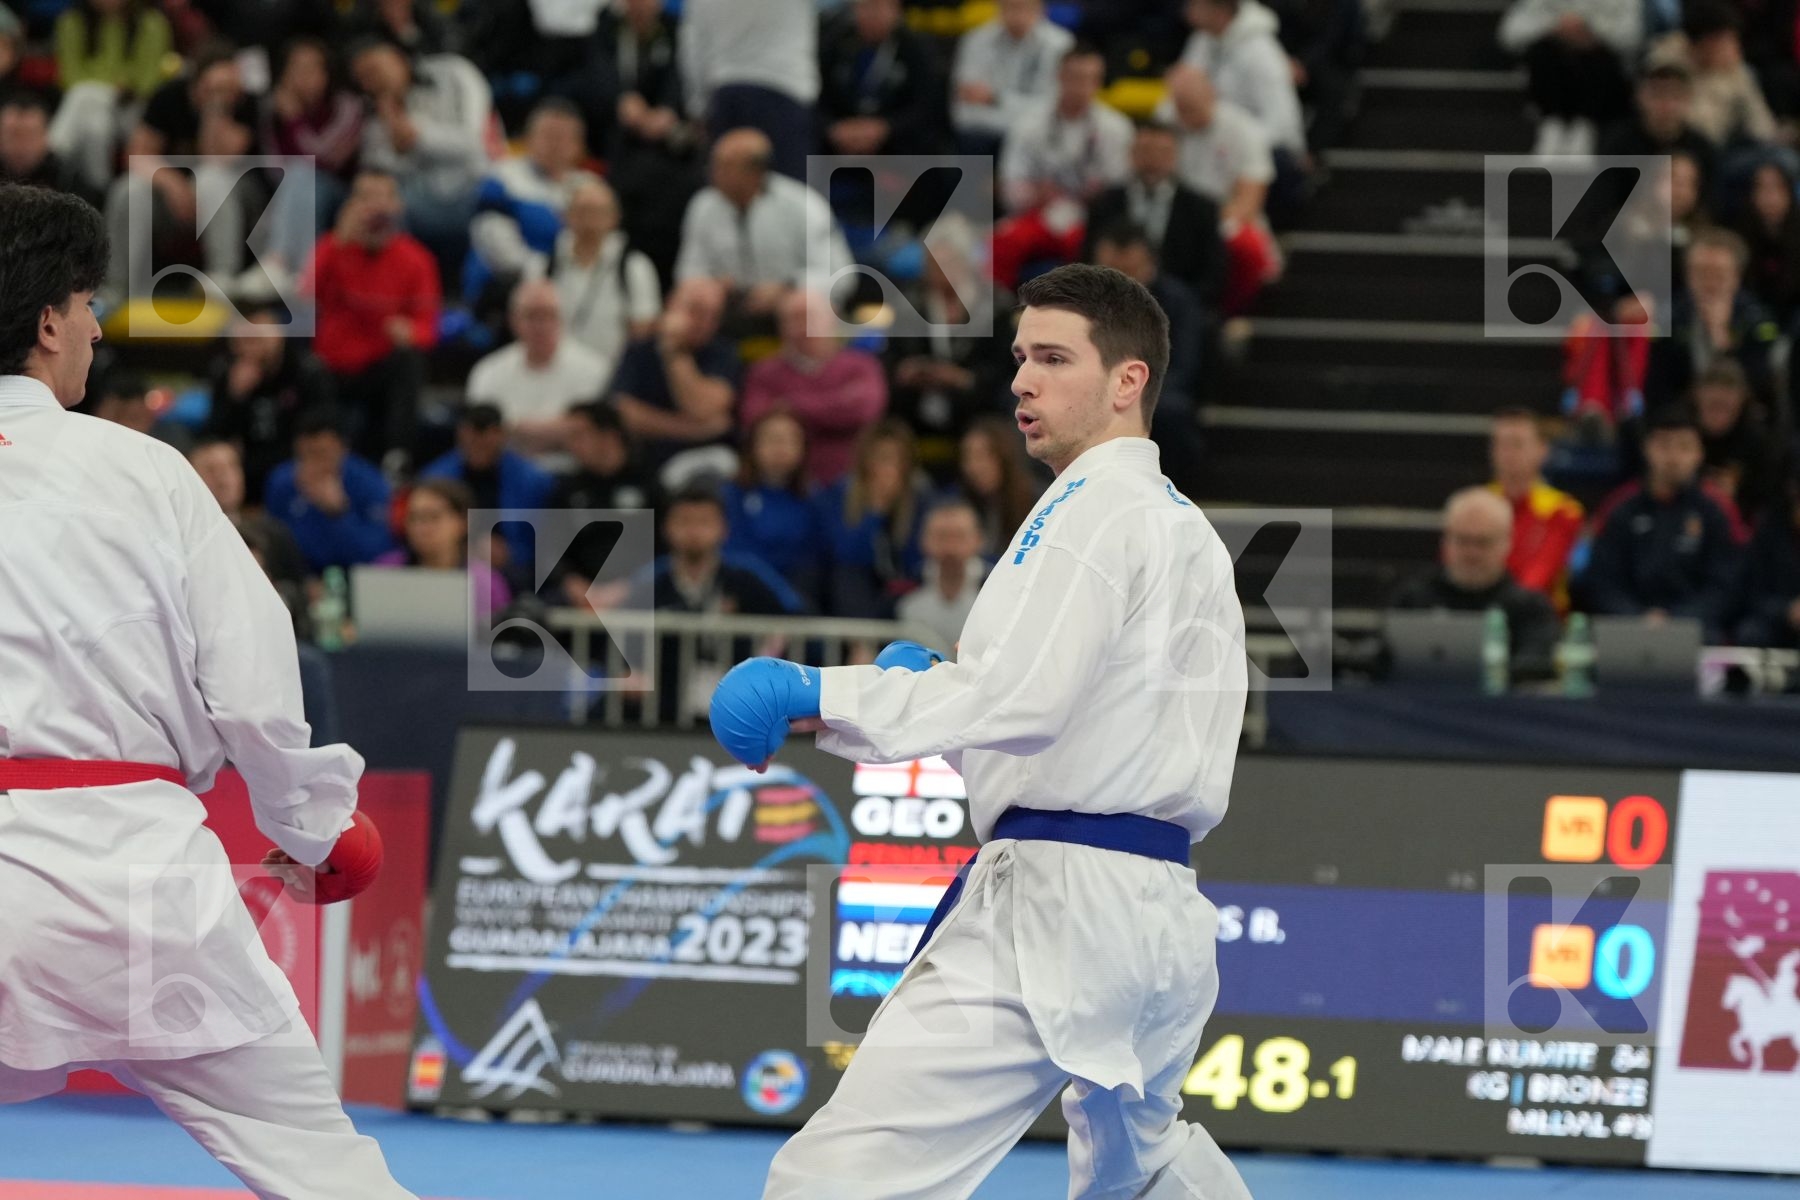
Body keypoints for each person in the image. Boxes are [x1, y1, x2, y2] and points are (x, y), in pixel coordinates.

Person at [711, 263, 1254, 1200]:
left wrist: (821, 690)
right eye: (1017, 359)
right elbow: (1097, 720)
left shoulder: (1089, 506)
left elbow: (1025, 702)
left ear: (1128, 382)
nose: (1020, 382)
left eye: (1052, 358)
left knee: (838, 1183)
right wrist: (952, 707)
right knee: (1145, 1172)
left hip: (1056, 905)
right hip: (1160, 911)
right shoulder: (1188, 529)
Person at [0, 183, 409, 1196]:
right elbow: (257, 691)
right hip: (143, 886)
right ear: (50, 321)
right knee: (325, 1170)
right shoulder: (145, 473)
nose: (96, 327)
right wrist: (322, 833)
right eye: (90, 303)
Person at [1579, 404, 1744, 641]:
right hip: (1628, 627)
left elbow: (1726, 586)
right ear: (1647, 449)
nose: (1673, 457)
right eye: (1664, 445)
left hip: (1697, 629)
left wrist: (1678, 619)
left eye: (1684, 447)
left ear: (1700, 453)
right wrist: (1637, 617)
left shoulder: (1716, 511)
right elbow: (1602, 580)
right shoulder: (1620, 507)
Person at [1389, 488, 1562, 682]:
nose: (1472, 553)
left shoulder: (1531, 609)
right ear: (1446, 541)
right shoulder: (1413, 600)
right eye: (1463, 540)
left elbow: (1535, 666)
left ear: (1507, 543)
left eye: (1483, 542)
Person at [738, 288, 889, 487]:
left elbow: (863, 410)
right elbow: (754, 418)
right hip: (783, 484)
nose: (803, 328)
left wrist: (789, 405)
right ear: (780, 328)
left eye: (810, 318)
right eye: (794, 319)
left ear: (832, 320)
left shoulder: (862, 366)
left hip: (852, 480)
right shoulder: (764, 372)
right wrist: (836, 402)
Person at [466, 277, 612, 457]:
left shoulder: (595, 369)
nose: (541, 325)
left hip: (572, 471)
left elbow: (594, 435)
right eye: (532, 316)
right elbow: (480, 435)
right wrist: (562, 428)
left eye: (549, 315)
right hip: (507, 473)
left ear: (561, 318)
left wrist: (513, 428)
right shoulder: (487, 372)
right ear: (514, 320)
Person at [264, 407, 396, 573]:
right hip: (300, 578)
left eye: (322, 453)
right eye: (305, 454)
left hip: (355, 576)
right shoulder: (281, 482)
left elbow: (378, 553)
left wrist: (340, 512)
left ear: (342, 449)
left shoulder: (370, 483)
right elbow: (273, 544)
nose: (314, 463)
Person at [1487, 408, 1584, 604]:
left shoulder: (1562, 510)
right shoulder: (1476, 506)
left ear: (1542, 450)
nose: (1508, 453)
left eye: (1517, 444)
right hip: (1483, 613)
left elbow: (1541, 575)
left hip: (1540, 617)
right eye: (1501, 444)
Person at [375, 477, 511, 614]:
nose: (421, 527)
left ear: (462, 522)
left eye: (433, 517)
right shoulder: (386, 571)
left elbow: (501, 632)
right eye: (414, 517)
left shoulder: (485, 583)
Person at [896, 497, 989, 649]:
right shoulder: (904, 589)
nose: (950, 547)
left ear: (978, 540)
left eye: (959, 536)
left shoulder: (997, 585)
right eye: (941, 536)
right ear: (924, 540)